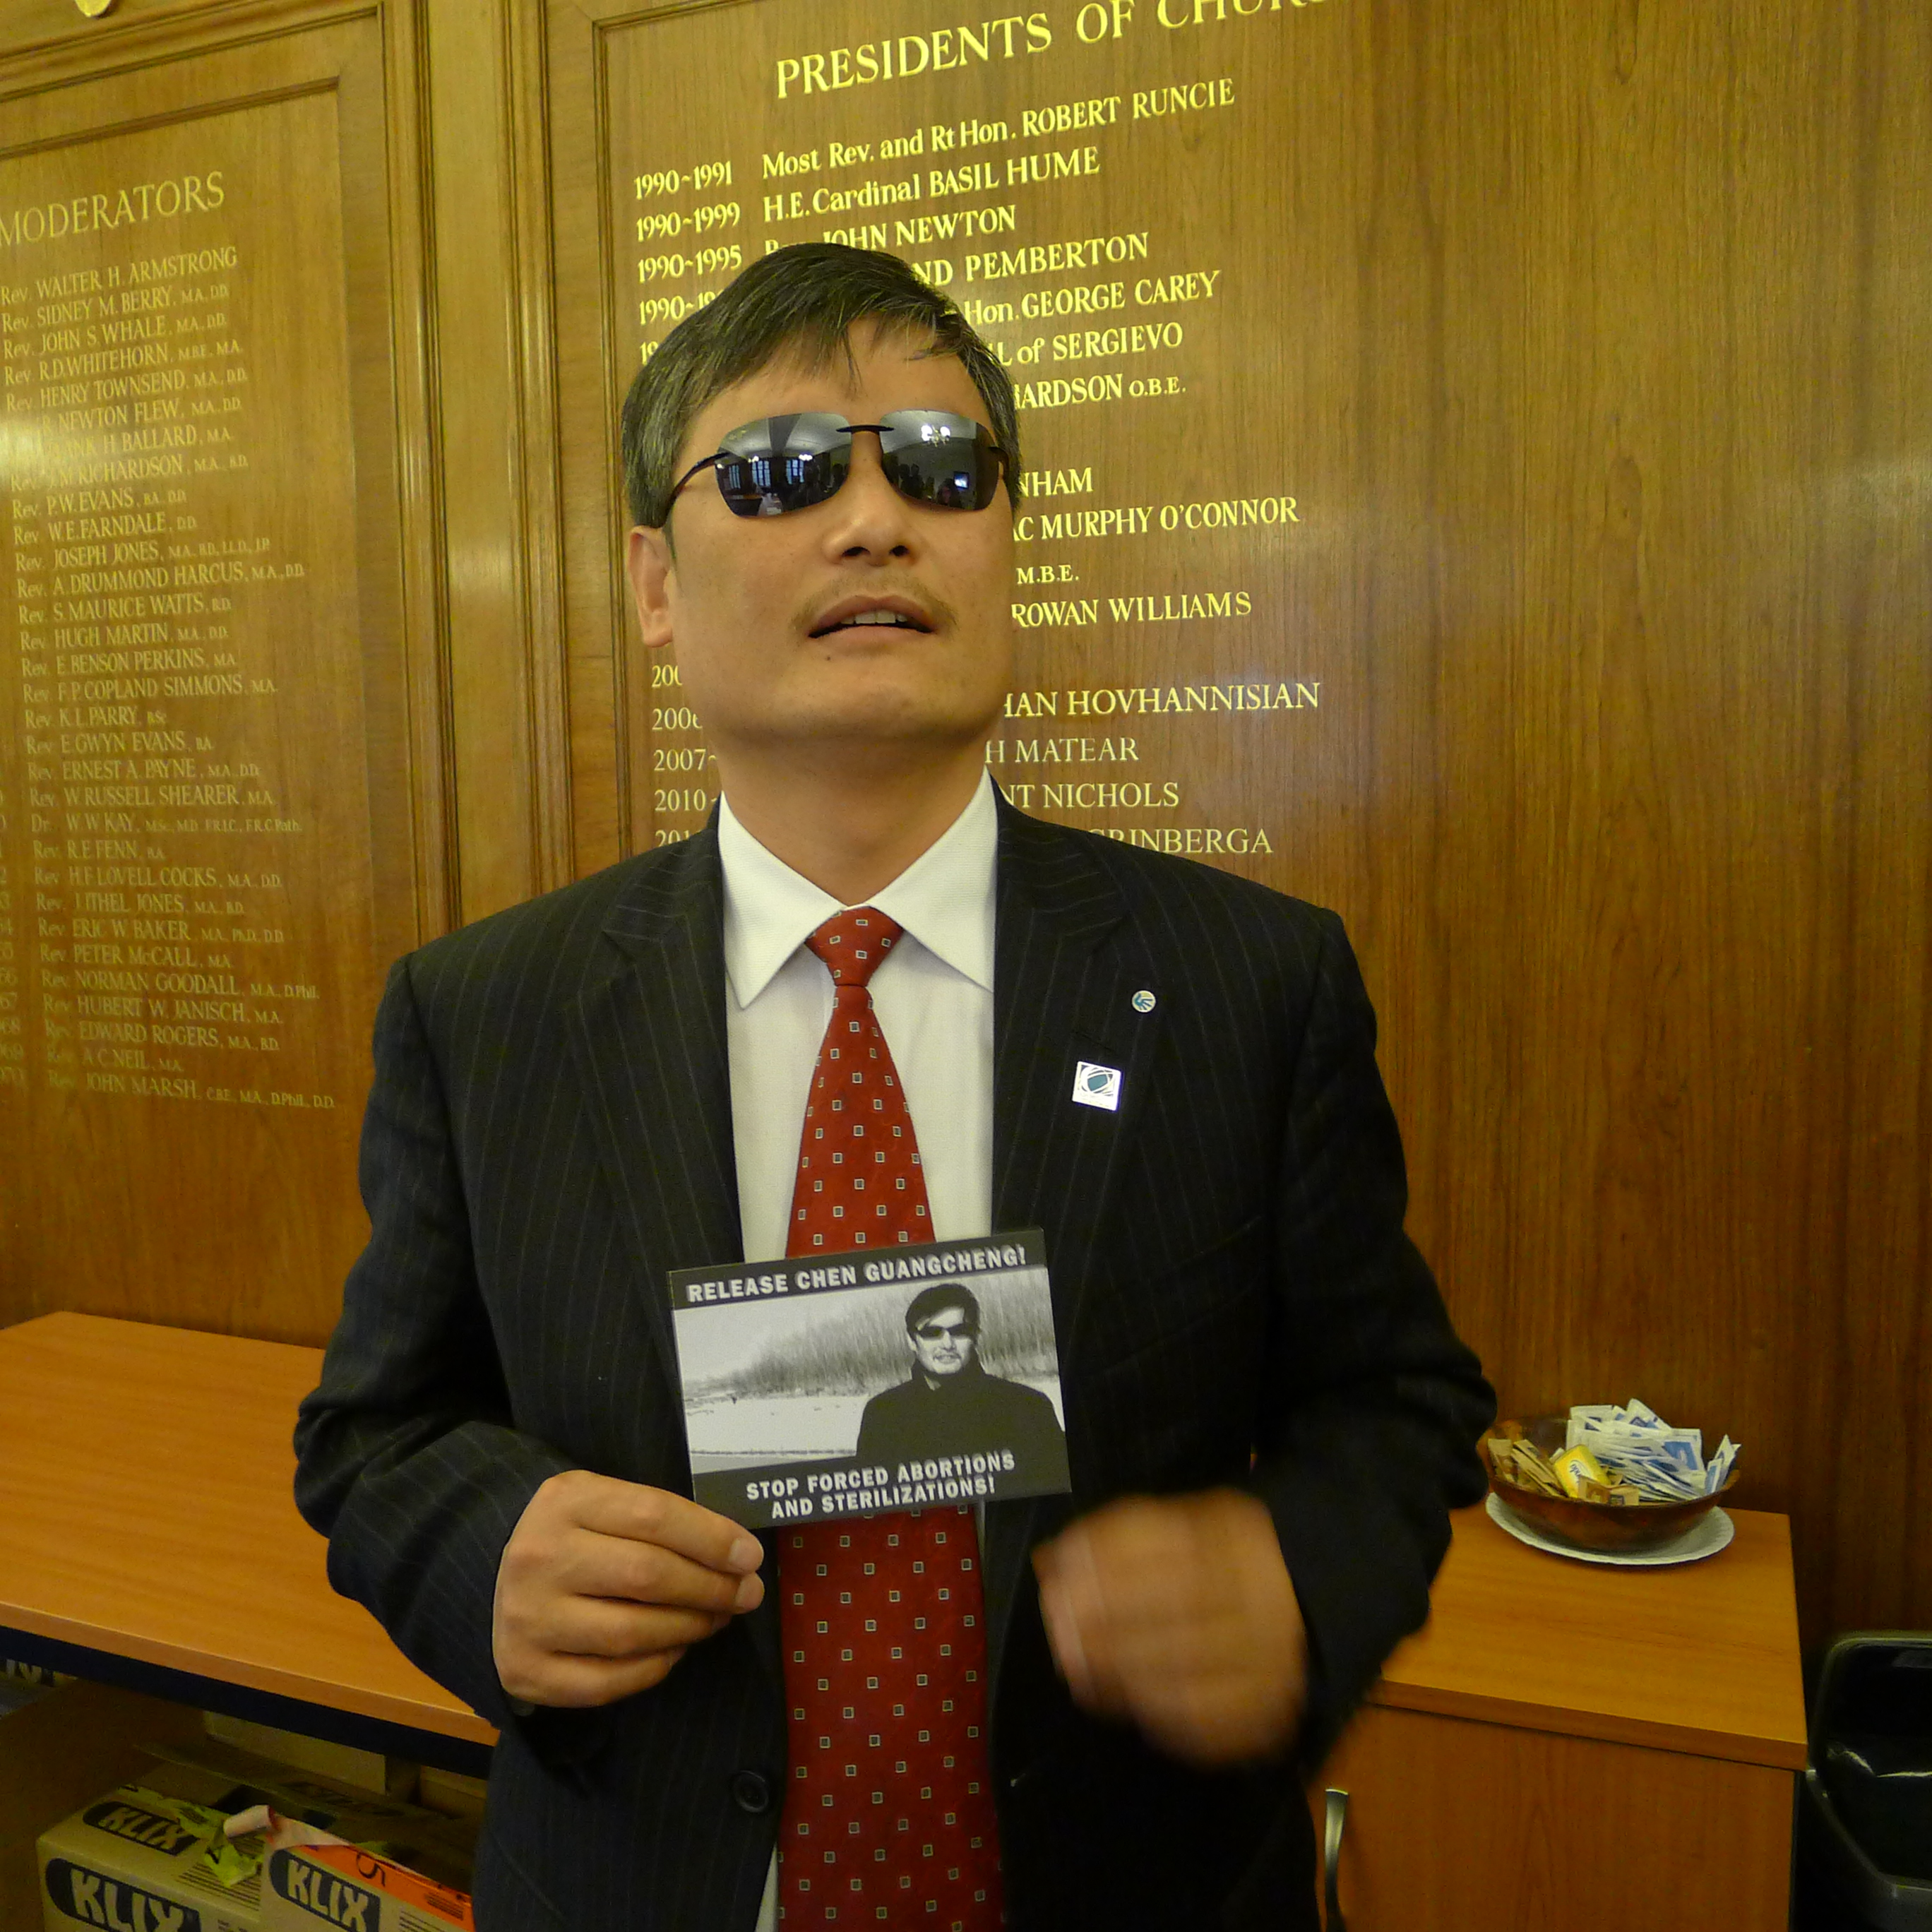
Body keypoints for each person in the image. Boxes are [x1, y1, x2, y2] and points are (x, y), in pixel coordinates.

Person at [292, 242, 1494, 1932]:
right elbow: (373, 1431)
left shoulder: (1246, 980)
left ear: (1002, 538)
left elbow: (1393, 1402)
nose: (871, 518)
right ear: (652, 577)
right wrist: (481, 1550)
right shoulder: (488, 1007)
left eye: (937, 464)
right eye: (782, 470)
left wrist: (1298, 1570)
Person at [853, 1282, 1069, 1483]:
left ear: (975, 1336)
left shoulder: (1028, 1406)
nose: (947, 1344)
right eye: (932, 1333)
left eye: (959, 1331)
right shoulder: (882, 1414)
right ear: (912, 1340)